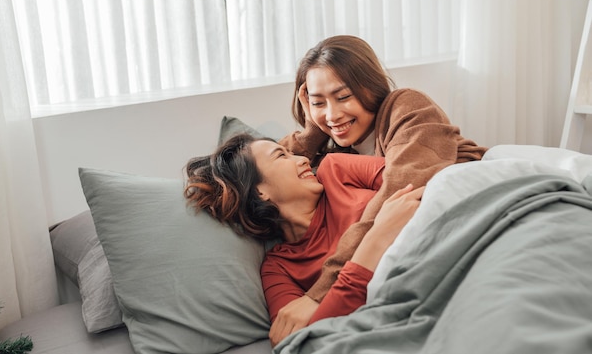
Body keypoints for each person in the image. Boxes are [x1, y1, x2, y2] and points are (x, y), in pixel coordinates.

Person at [277, 35, 488, 326]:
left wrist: (319, 294)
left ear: (370, 86)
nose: (333, 114)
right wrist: (315, 127)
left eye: (343, 97)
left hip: (480, 188)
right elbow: (267, 166)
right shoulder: (336, 150)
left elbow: (399, 195)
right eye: (318, 102)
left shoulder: (407, 105)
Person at [185, 133, 424, 346]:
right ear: (259, 191)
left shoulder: (335, 169)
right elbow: (304, 342)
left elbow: (419, 177)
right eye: (281, 156)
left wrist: (322, 301)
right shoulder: (278, 269)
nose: (303, 159)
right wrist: (376, 239)